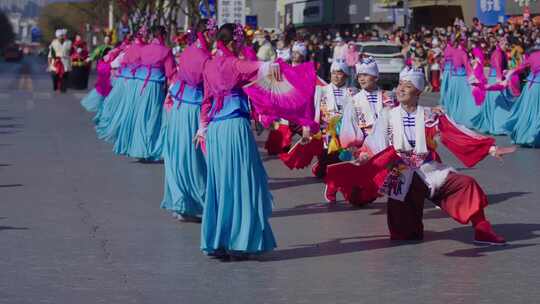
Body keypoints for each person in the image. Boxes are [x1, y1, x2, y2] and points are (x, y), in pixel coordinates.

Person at [361, 67, 514, 244]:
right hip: (401, 173)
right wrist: (365, 155)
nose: (401, 89)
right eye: (400, 84)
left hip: (430, 171)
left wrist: (490, 149)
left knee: (466, 184)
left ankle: (482, 228)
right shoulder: (387, 115)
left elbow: (457, 132)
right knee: (405, 235)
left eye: (408, 86)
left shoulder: (430, 115)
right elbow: (375, 141)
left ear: (418, 91)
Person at [196, 23, 279, 260]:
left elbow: (206, 100)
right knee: (244, 183)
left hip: (215, 130)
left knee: (221, 186)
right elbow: (266, 69)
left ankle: (218, 241)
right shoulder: (235, 64)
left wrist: (202, 127)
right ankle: (240, 241)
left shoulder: (210, 64)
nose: (242, 46)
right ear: (233, 42)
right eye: (240, 42)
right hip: (235, 128)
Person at [160, 19, 215, 222]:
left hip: (178, 107)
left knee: (178, 155)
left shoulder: (188, 51)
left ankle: (181, 202)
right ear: (207, 34)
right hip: (194, 109)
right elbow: (212, 87)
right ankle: (198, 202)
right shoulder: (206, 58)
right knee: (196, 159)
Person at [327, 57, 398, 205]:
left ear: (375, 77)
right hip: (364, 143)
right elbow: (349, 123)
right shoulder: (354, 99)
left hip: (385, 143)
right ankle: (333, 185)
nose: (362, 78)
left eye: (366, 75)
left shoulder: (387, 97)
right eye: (359, 75)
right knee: (357, 194)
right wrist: (352, 144)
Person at [112, 25, 175, 161]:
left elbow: (134, 63)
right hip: (154, 86)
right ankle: (150, 149)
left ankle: (137, 148)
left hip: (140, 84)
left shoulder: (144, 49)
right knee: (153, 117)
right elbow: (170, 72)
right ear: (163, 36)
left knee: (141, 116)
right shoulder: (166, 51)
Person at [311, 61, 356, 179]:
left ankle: (331, 173)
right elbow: (314, 109)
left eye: (339, 73)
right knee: (326, 157)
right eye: (334, 73)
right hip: (326, 130)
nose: (336, 76)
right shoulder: (321, 90)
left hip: (344, 129)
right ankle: (321, 167)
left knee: (339, 158)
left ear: (346, 76)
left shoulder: (352, 92)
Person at [471, 38, 515, 135]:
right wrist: (500, 81)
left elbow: (503, 67)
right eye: (504, 44)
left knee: (499, 103)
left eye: (507, 44)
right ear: (499, 44)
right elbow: (498, 67)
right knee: (500, 103)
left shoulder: (502, 53)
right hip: (496, 80)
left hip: (497, 79)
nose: (506, 46)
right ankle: (499, 126)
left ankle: (498, 124)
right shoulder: (498, 53)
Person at [503, 45, 540, 147]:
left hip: (530, 88)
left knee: (527, 112)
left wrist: (510, 72)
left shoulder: (532, 56)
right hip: (536, 86)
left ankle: (525, 136)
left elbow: (520, 67)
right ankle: (533, 137)